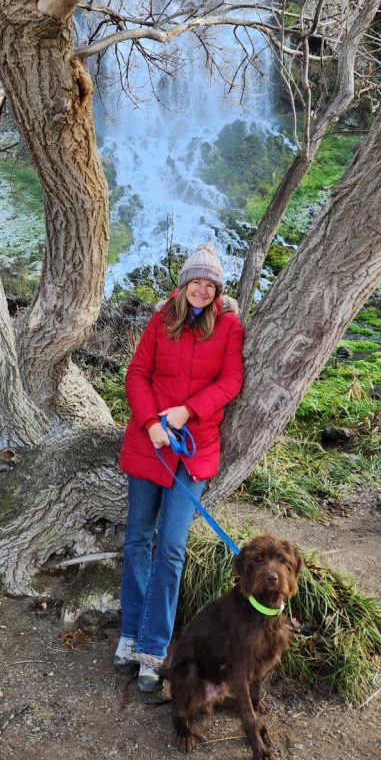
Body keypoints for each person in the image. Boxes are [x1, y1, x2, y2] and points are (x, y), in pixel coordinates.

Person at [115, 243, 244, 691]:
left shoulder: (227, 326)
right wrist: (151, 422)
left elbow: (231, 381)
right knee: (137, 540)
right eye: (197, 281)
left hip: (192, 449)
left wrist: (187, 411)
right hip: (147, 444)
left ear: (217, 290)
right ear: (184, 283)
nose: (203, 290)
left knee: (169, 547)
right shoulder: (160, 320)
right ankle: (130, 633)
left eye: (211, 284)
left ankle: (152, 648)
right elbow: (137, 375)